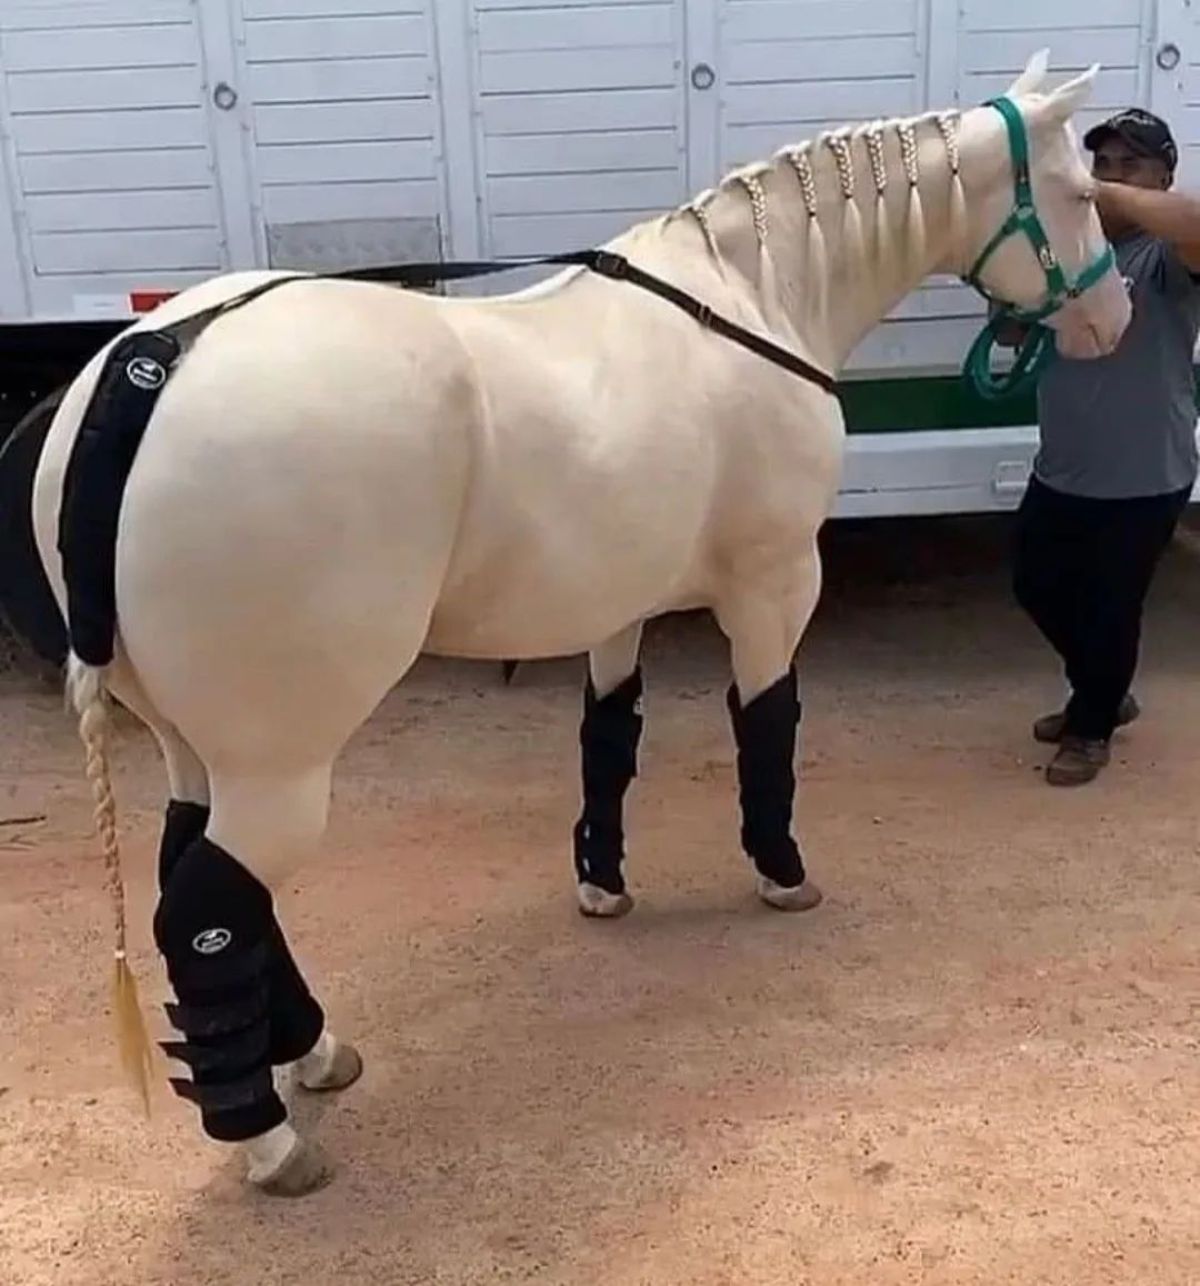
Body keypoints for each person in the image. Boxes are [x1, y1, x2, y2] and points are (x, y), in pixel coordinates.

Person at [1002, 108, 1200, 786]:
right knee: (1036, 584)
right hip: (1064, 467)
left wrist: (1101, 194)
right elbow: (1016, 326)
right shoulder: (1069, 252)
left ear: (1163, 179)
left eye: (1128, 165)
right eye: (1102, 163)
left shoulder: (1167, 257)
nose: (1109, 176)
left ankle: (1090, 727)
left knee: (1111, 606)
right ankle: (1103, 690)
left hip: (1144, 475)